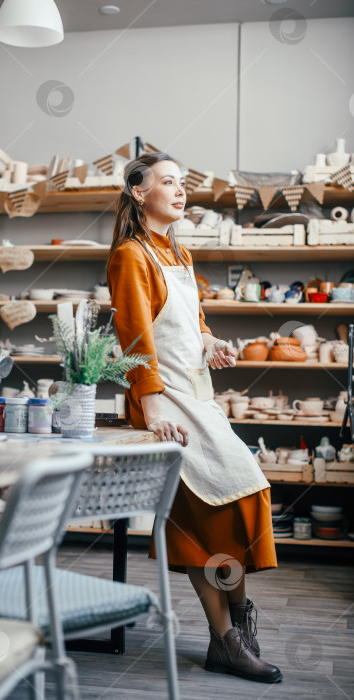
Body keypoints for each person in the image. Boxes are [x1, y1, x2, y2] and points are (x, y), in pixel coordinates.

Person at [106, 152, 282, 684]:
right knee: (206, 512)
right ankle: (226, 639)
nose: (180, 191)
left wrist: (211, 343)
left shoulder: (174, 252)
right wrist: (152, 406)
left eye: (183, 183)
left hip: (196, 393)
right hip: (166, 400)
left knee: (240, 496)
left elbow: (192, 322)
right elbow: (135, 338)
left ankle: (235, 633)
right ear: (139, 192)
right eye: (168, 182)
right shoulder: (130, 256)